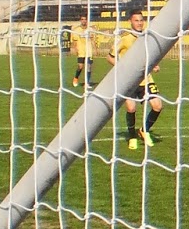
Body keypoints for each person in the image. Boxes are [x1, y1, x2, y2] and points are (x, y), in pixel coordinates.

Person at [108, 8, 164, 152]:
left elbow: (148, 57)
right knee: (131, 108)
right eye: (136, 20)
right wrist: (125, 67)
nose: (139, 23)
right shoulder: (125, 39)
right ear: (130, 22)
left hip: (146, 79)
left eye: (141, 20)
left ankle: (144, 130)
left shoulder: (147, 38)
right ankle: (132, 137)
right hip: (130, 81)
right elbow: (109, 57)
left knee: (157, 105)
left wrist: (154, 65)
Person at [69, 15, 97, 89]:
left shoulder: (90, 29)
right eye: (82, 19)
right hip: (81, 51)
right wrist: (75, 49)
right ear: (80, 20)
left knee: (89, 67)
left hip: (89, 51)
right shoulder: (76, 30)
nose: (84, 21)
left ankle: (86, 83)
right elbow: (74, 41)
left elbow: (93, 40)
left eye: (85, 19)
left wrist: (95, 49)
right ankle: (76, 78)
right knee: (80, 67)